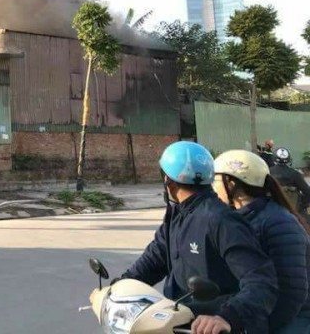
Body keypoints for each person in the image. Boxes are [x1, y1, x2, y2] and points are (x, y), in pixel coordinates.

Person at [116, 141, 278, 334]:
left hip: (216, 327)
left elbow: (262, 281)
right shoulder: (176, 215)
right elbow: (153, 260)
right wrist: (119, 288)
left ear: (168, 180)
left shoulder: (220, 220)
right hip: (179, 322)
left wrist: (227, 317)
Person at [213, 149, 310, 334]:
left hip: (294, 317)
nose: (212, 187)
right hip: (263, 312)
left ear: (231, 183)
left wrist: (264, 327)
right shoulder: (240, 218)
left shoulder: (279, 223)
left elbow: (293, 292)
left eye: (215, 180)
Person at [271, 147, 310, 216]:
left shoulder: (267, 172)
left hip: (272, 210)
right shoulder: (295, 174)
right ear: (288, 159)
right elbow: (307, 191)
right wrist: (303, 205)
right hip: (292, 210)